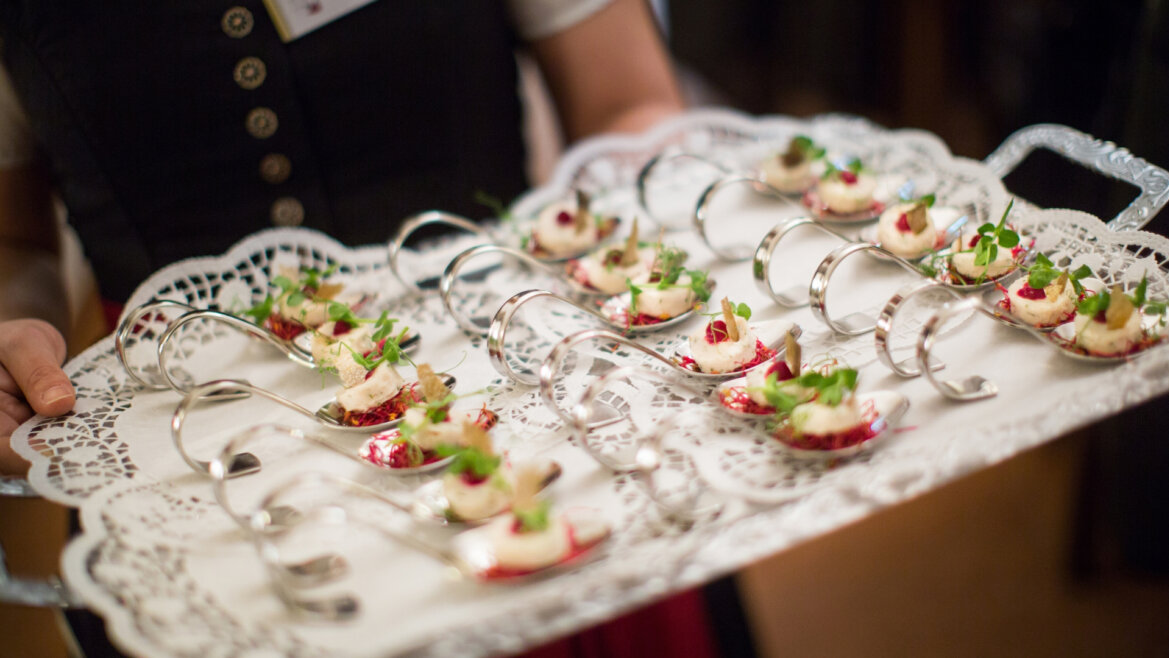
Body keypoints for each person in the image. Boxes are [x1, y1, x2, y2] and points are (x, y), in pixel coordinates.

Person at [0, 0, 685, 475]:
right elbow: (15, 240)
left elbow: (627, 104)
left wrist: (614, 266)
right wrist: (14, 344)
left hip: (519, 404)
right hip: (193, 462)